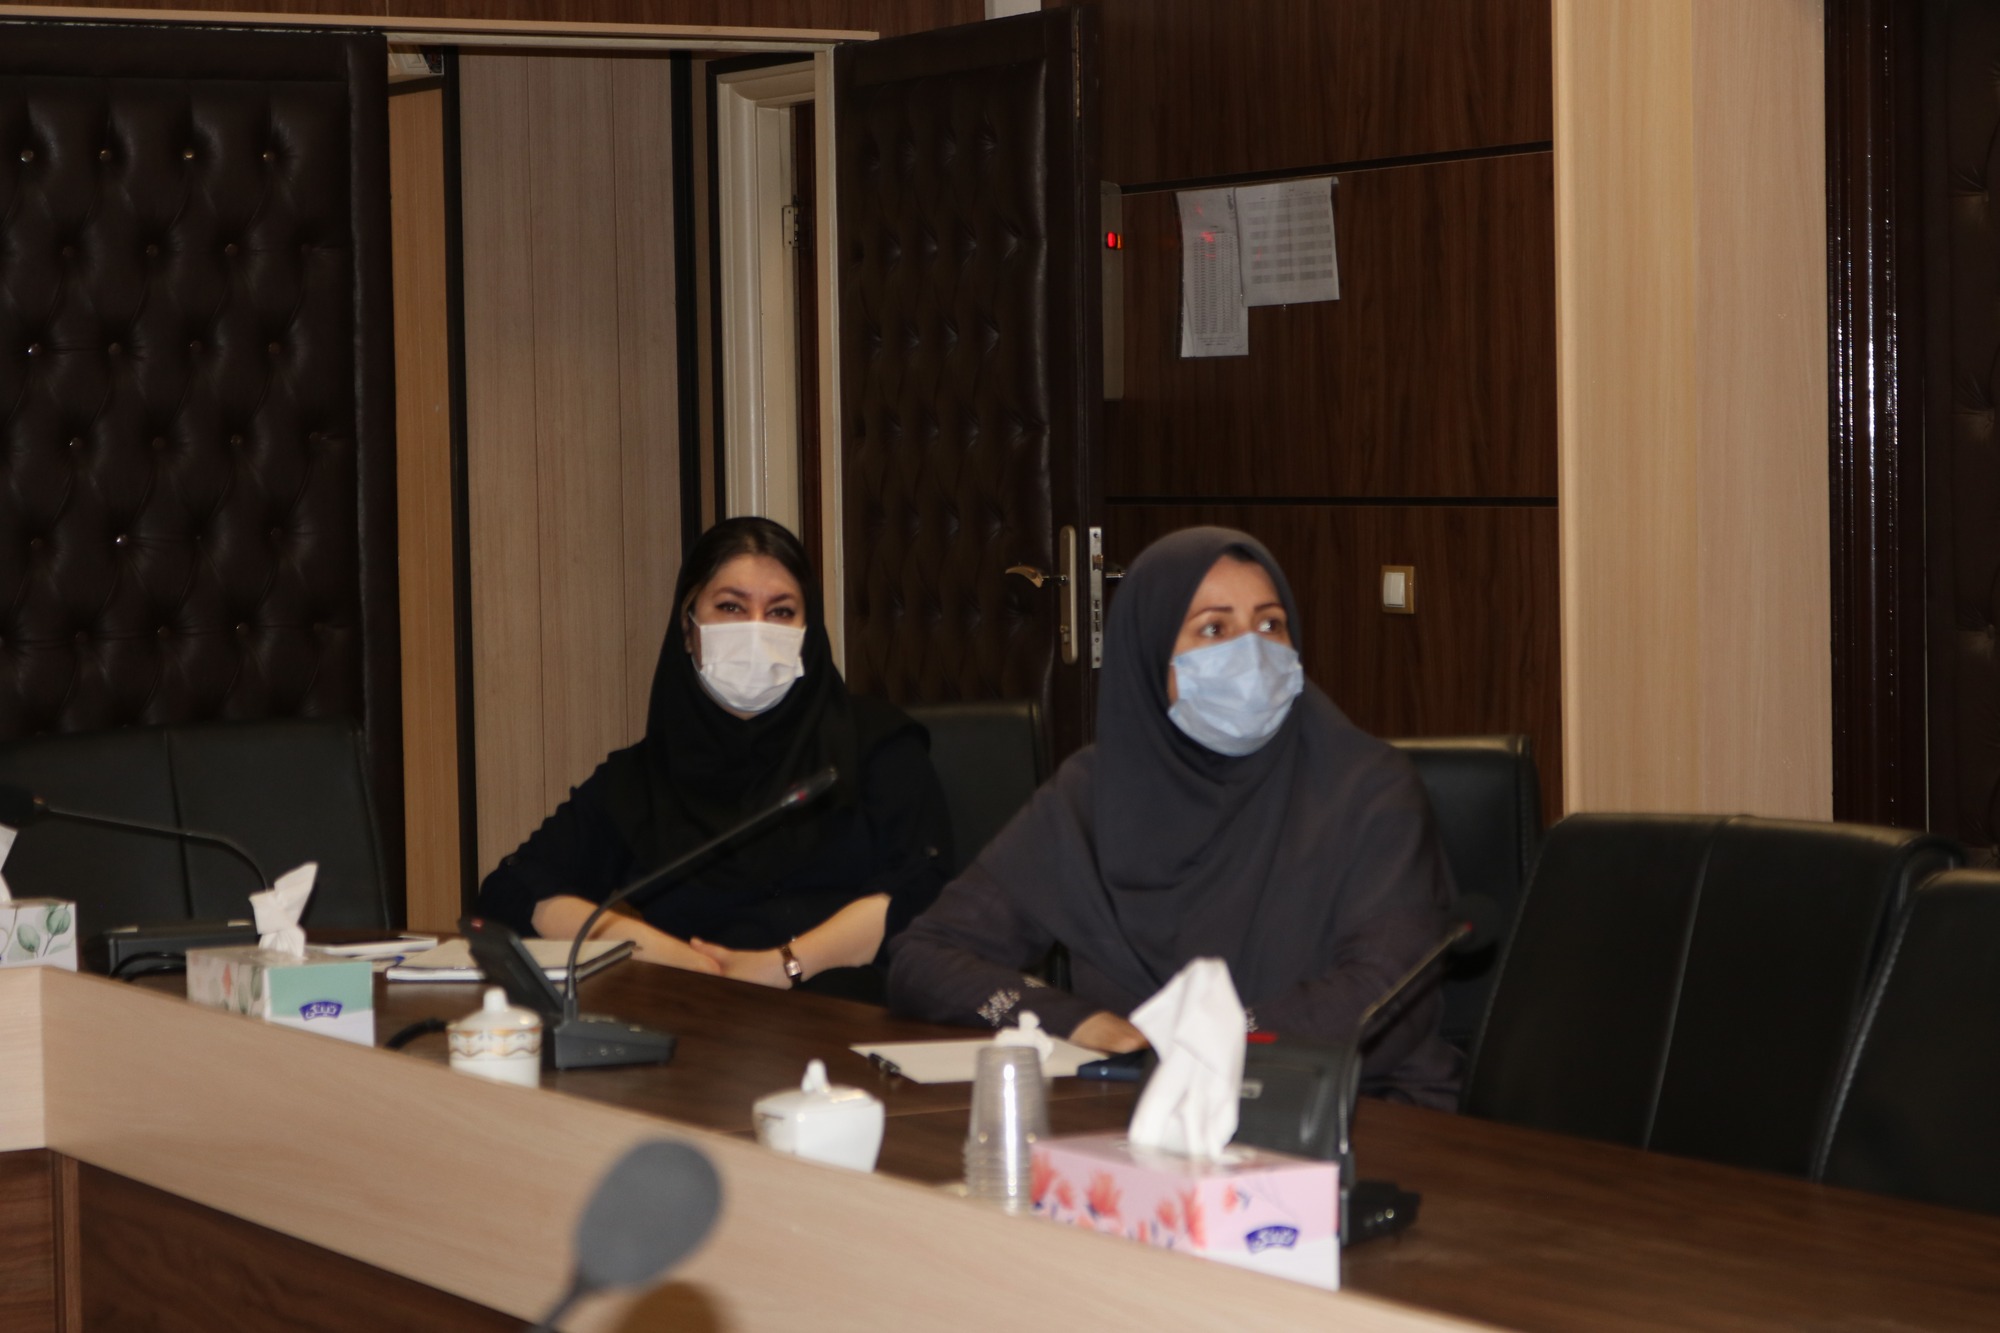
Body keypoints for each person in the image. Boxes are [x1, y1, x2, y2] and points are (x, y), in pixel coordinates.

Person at [885, 526, 1459, 1107]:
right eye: (1214, 629)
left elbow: (1386, 999)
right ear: (1148, 653)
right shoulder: (1091, 793)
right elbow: (924, 958)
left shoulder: (1368, 789)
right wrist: (1073, 1020)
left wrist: (1193, 1039)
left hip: (1348, 1109)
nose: (1253, 653)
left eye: (1270, 625)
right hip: (1139, 1112)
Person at [477, 516, 950, 995]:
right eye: (730, 607)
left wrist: (783, 966)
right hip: (697, 1014)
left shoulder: (876, 743)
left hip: (849, 1014)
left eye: (781, 612)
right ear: (688, 629)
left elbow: (927, 886)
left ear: (808, 633)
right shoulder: (642, 777)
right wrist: (662, 955)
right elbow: (512, 890)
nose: (756, 630)